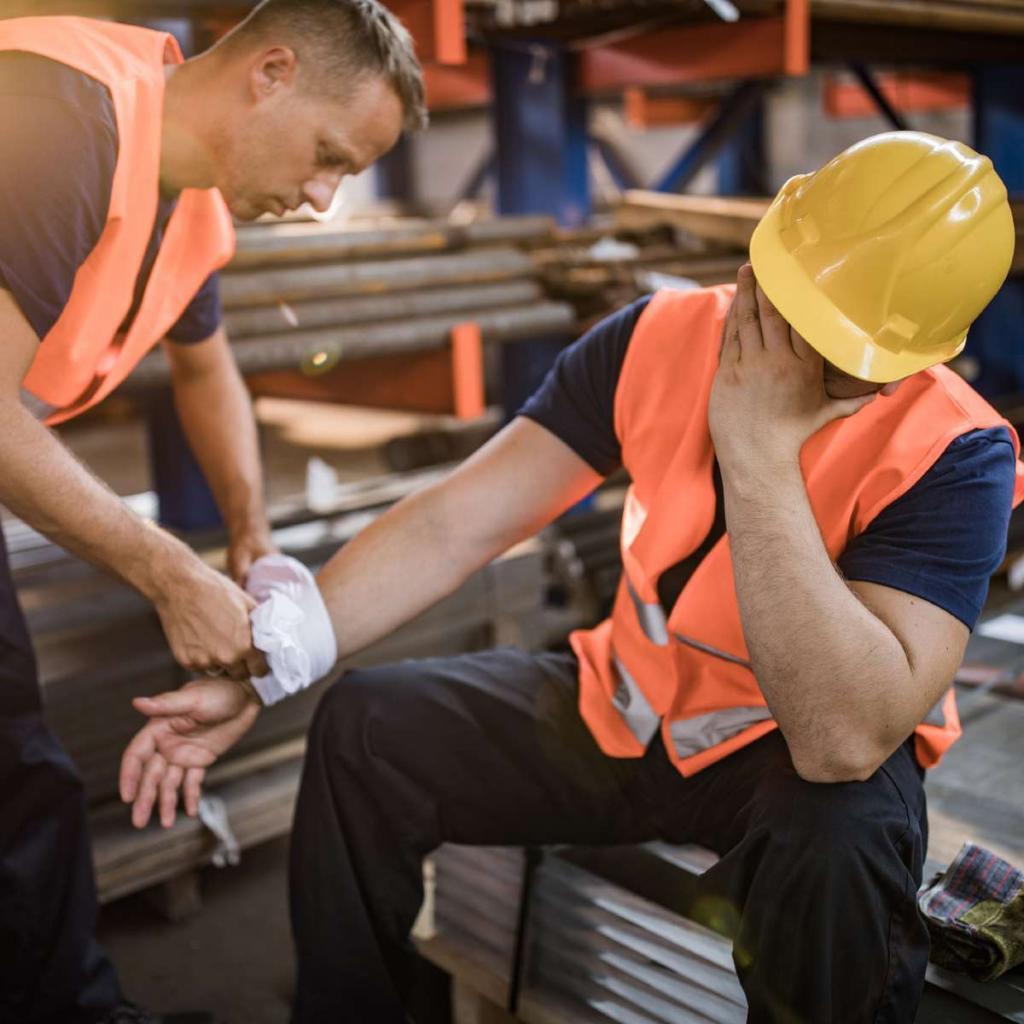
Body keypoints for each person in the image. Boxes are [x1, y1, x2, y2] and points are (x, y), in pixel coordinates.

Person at [123, 131, 1022, 1022]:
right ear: (762, 264)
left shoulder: (953, 451)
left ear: (916, 360)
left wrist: (757, 445)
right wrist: (269, 662)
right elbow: (453, 523)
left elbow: (842, 738)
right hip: (620, 714)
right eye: (791, 312)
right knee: (363, 731)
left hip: (779, 761)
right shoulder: (655, 339)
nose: (799, 360)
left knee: (846, 841)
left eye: (844, 356)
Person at [0, 2, 425, 1022]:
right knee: (19, 782)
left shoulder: (188, 198)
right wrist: (169, 573)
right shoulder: (63, 112)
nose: (322, 198)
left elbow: (205, 369)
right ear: (270, 71)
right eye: (328, 156)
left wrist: (248, 538)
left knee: (18, 776)